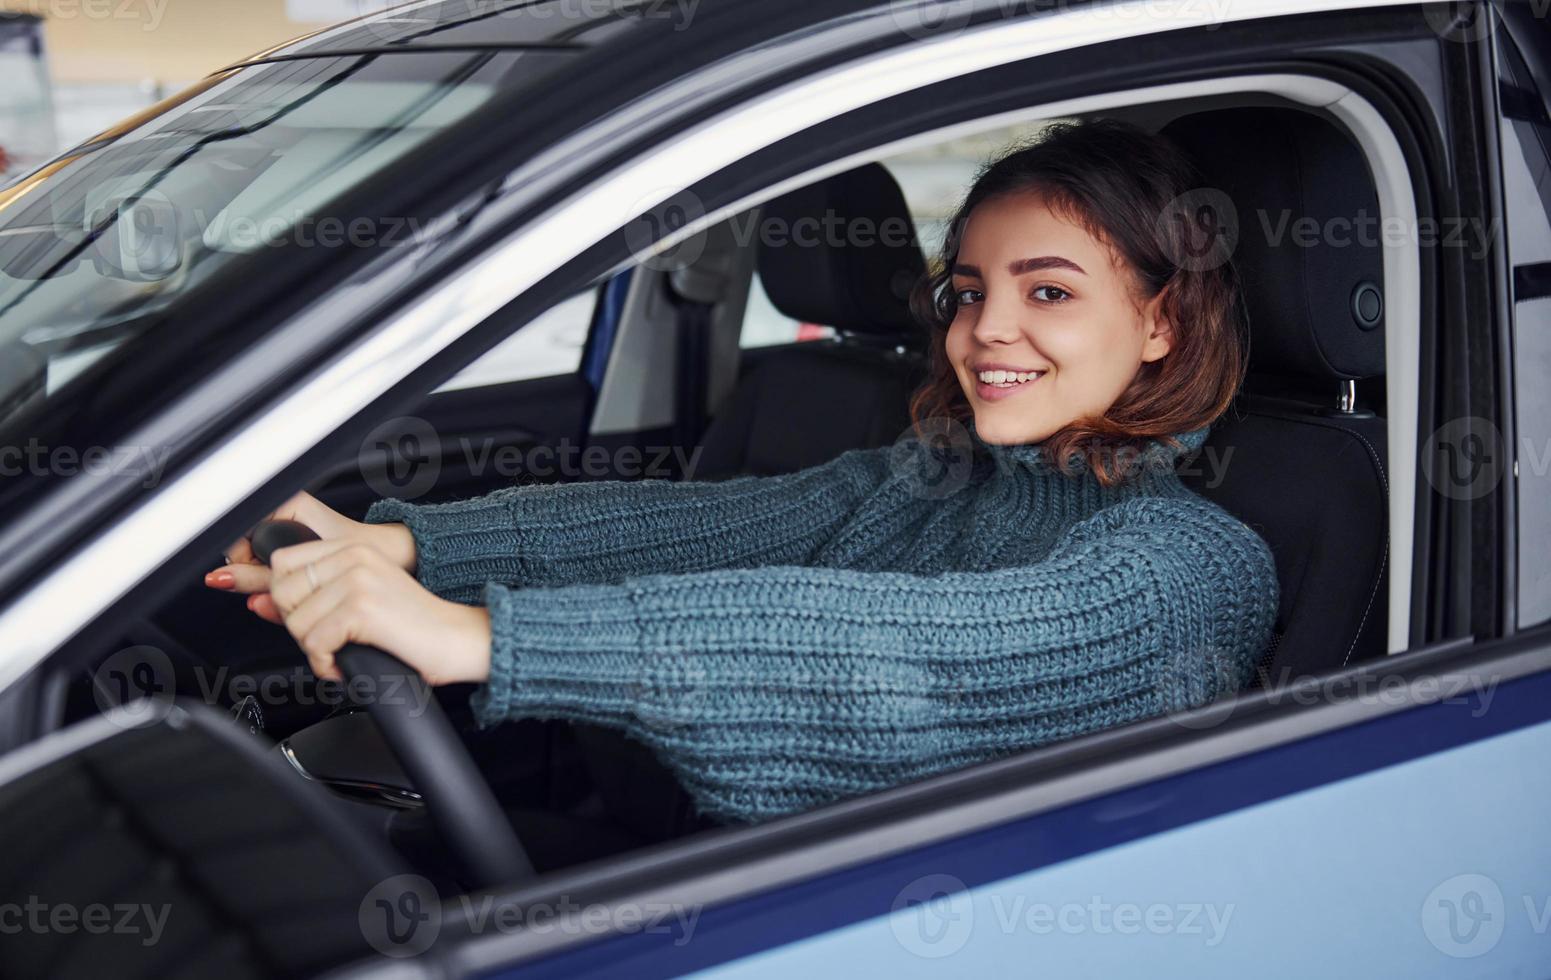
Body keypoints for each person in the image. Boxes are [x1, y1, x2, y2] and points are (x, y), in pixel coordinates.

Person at [205, 119, 1278, 824]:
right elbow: (696, 527)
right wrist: (402, 544)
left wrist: (477, 637)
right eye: (966, 289)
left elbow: (894, 658)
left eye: (1048, 291)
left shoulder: (1188, 571)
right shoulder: (933, 478)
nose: (984, 328)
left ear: (1161, 320)